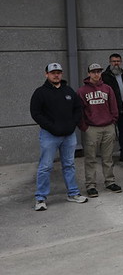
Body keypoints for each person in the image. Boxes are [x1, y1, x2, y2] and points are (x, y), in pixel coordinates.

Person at [30, 62, 87, 210]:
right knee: (45, 166)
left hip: (68, 136)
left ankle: (73, 193)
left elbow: (77, 109)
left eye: (59, 72)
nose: (56, 75)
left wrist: (72, 125)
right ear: (46, 74)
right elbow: (36, 113)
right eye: (53, 72)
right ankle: (40, 198)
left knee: (69, 165)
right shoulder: (40, 92)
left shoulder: (68, 91)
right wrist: (52, 127)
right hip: (49, 135)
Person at [77, 63, 121, 198]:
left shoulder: (107, 89)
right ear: (89, 73)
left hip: (108, 127)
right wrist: (84, 127)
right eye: (93, 72)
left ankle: (110, 181)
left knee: (108, 158)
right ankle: (91, 185)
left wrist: (113, 121)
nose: (96, 74)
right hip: (92, 129)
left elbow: (114, 106)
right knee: (90, 158)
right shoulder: (82, 91)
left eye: (98, 71)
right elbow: (79, 112)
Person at [101, 53, 123, 162]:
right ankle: (107, 156)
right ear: (109, 62)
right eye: (113, 61)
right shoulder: (104, 76)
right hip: (110, 111)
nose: (116, 63)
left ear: (121, 62)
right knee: (109, 135)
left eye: (118, 61)